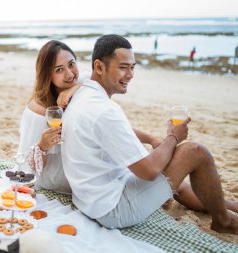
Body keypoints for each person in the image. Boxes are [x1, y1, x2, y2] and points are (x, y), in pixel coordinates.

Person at [62, 34, 238, 234]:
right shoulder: (105, 110)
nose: (130, 75)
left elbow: (114, 131)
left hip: (92, 198)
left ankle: (227, 205)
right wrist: (173, 137)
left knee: (176, 176)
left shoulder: (83, 90)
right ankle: (223, 221)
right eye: (123, 67)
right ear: (100, 67)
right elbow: (149, 170)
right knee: (194, 152)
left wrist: (155, 141)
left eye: (132, 67)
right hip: (114, 210)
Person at [17, 40, 81, 194]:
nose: (70, 74)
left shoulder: (79, 85)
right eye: (59, 70)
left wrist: (73, 89)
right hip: (55, 177)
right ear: (47, 74)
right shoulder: (39, 111)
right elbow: (29, 166)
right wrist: (43, 146)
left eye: (71, 64)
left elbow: (95, 80)